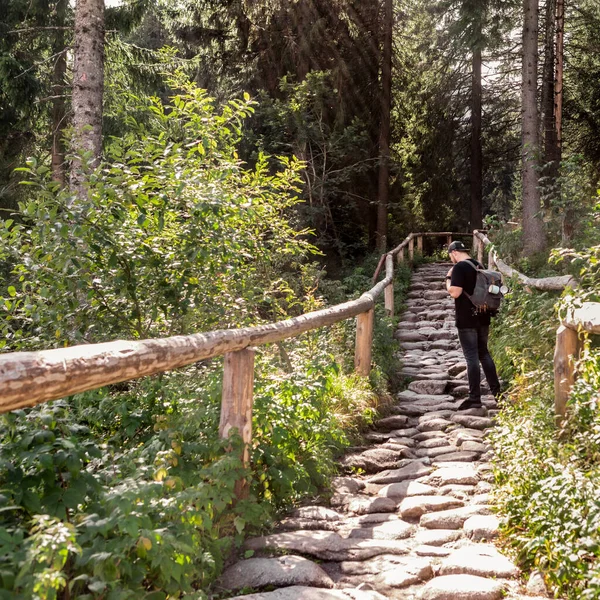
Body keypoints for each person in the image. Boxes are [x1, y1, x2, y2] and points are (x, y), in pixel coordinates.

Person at [445, 240, 501, 410]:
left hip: (467, 319)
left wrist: (448, 279)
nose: (452, 260)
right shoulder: (479, 265)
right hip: (483, 317)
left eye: (450, 257)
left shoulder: (459, 268)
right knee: (484, 354)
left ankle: (474, 398)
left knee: (471, 357)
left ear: (454, 253)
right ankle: (498, 394)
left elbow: (455, 292)